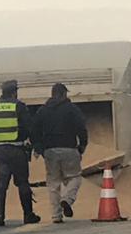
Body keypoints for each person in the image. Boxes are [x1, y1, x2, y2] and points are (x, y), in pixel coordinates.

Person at [0, 79, 41, 227]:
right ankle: (28, 215)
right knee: (22, 182)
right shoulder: (19, 106)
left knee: (1, 184)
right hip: (16, 149)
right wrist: (32, 144)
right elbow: (29, 127)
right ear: (15, 92)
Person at [31, 83, 88, 223]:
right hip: (69, 148)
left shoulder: (42, 110)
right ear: (63, 94)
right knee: (75, 177)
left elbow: (34, 130)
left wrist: (39, 148)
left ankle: (56, 216)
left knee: (53, 183)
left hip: (50, 150)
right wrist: (82, 145)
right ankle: (67, 199)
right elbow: (81, 128)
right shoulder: (72, 109)